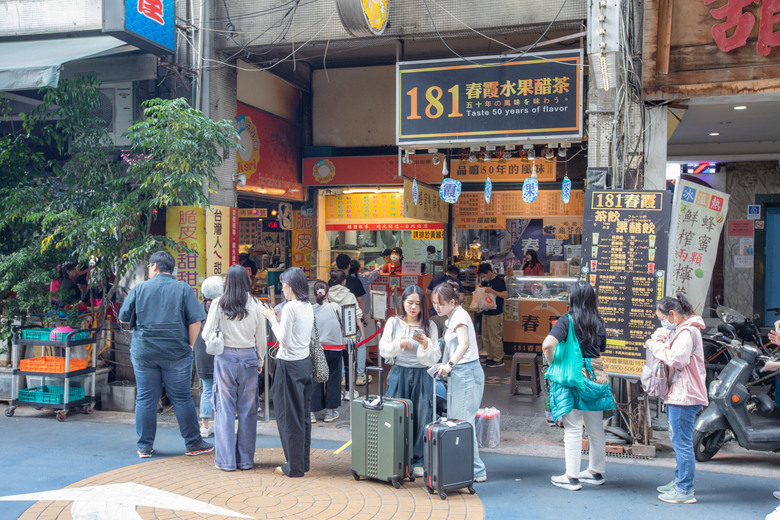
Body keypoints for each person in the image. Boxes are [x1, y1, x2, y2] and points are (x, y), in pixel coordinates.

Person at [118, 251, 213, 459]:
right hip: (176, 352)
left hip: (144, 352)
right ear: (171, 269)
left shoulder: (140, 289)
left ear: (153, 266)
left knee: (145, 399)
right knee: (181, 398)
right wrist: (189, 344)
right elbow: (195, 321)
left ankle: (144, 447)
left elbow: (124, 317)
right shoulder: (183, 289)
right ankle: (194, 443)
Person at [541, 281, 612, 491]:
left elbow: (547, 344)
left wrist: (553, 362)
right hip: (596, 375)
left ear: (572, 299)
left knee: (572, 428)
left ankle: (571, 477)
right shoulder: (598, 321)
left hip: (573, 375)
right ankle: (595, 472)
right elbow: (601, 349)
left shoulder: (567, 320)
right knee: (595, 427)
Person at [201, 265, 266, 471]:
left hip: (225, 358)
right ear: (247, 281)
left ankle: (226, 461)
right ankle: (245, 461)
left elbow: (205, 335)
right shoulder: (255, 303)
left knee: (225, 410)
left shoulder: (219, 303)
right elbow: (261, 339)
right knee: (248, 411)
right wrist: (261, 361)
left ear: (226, 282)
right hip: (249, 358)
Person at [645, 293, 707, 504]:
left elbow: (676, 358)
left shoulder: (687, 333)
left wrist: (654, 346)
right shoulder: (683, 329)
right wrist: (659, 337)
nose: (662, 322)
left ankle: (684, 489)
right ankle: (680, 481)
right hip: (681, 393)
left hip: (685, 394)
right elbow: (662, 333)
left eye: (662, 317)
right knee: (679, 440)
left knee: (681, 443)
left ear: (672, 314)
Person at [379, 285, 440, 478]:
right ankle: (396, 457)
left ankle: (418, 459)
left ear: (423, 306)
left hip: (423, 375)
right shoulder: (393, 322)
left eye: (418, 304)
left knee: (423, 416)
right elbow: (384, 349)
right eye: (409, 303)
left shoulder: (430, 326)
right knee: (396, 416)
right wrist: (399, 344)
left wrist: (424, 345)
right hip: (399, 373)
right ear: (403, 302)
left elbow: (434, 358)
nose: (413, 307)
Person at [258, 267, 314, 478]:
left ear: (290, 286)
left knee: (288, 417)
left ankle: (294, 466)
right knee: (302, 415)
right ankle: (301, 462)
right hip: (304, 363)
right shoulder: (307, 305)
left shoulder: (290, 308)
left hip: (288, 364)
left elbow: (284, 340)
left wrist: (271, 318)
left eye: (283, 284)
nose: (282, 288)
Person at [432, 283, 487, 483]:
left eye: (441, 304)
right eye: (435, 303)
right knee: (460, 420)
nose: (437, 307)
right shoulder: (453, 316)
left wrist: (450, 364)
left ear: (452, 302)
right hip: (462, 372)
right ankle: (468, 466)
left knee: (463, 422)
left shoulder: (459, 317)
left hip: (465, 372)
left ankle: (477, 469)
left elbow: (464, 343)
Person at [193, 275, 224, 438]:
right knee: (223, 390)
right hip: (221, 355)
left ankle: (204, 426)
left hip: (202, 355)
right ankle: (221, 423)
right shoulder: (223, 309)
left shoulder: (197, 309)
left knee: (206, 389)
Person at [310, 280, 344, 423]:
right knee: (333, 378)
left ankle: (312, 411)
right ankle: (330, 412)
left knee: (316, 378)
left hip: (316, 348)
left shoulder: (310, 309)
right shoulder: (335, 307)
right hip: (334, 348)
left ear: (313, 293)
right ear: (328, 293)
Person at [328, 270, 367, 387]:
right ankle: (358, 376)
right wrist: (361, 333)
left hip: (334, 330)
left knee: (338, 353)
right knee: (350, 355)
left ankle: (343, 378)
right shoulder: (349, 295)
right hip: (349, 330)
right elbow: (357, 315)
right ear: (344, 281)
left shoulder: (327, 295)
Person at [476, 263, 508, 368]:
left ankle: (498, 358)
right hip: (485, 312)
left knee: (495, 336)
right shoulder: (486, 282)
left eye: (483, 275)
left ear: (489, 272)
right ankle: (490, 356)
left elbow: (505, 295)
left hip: (495, 313)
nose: (482, 277)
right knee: (485, 336)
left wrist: (492, 291)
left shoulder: (499, 281)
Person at [427, 265, 465, 336]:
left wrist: (436, 295)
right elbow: (461, 298)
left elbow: (427, 292)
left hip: (433, 315)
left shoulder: (435, 279)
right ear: (456, 275)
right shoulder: (456, 281)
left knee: (435, 340)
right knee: (446, 341)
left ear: (446, 272)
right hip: (447, 316)